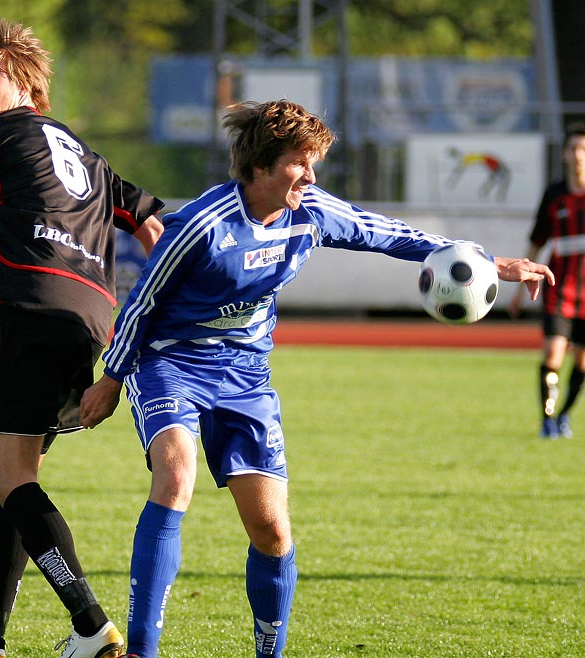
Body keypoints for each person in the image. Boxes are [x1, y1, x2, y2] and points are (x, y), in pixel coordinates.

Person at [79, 99, 554, 658]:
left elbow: (390, 234)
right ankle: (142, 651)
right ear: (259, 167)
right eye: (297, 163)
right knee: (176, 476)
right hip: (173, 362)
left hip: (246, 375)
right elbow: (144, 302)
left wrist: (491, 262)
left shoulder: (312, 211)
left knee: (273, 534)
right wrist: (111, 379)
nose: (310, 175)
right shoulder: (200, 225)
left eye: (313, 162)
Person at [0, 19, 164, 658]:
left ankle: (91, 625)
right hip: (90, 317)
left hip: (30, 302)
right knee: (15, 479)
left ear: (28, 85)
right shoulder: (91, 158)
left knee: (11, 478)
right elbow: (153, 227)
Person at [509, 121, 585, 439]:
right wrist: (519, 281)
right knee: (553, 356)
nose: (579, 155)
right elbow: (537, 240)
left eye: (584, 149)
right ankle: (546, 420)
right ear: (565, 155)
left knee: (582, 364)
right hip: (560, 291)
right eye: (574, 149)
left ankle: (564, 416)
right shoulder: (554, 196)